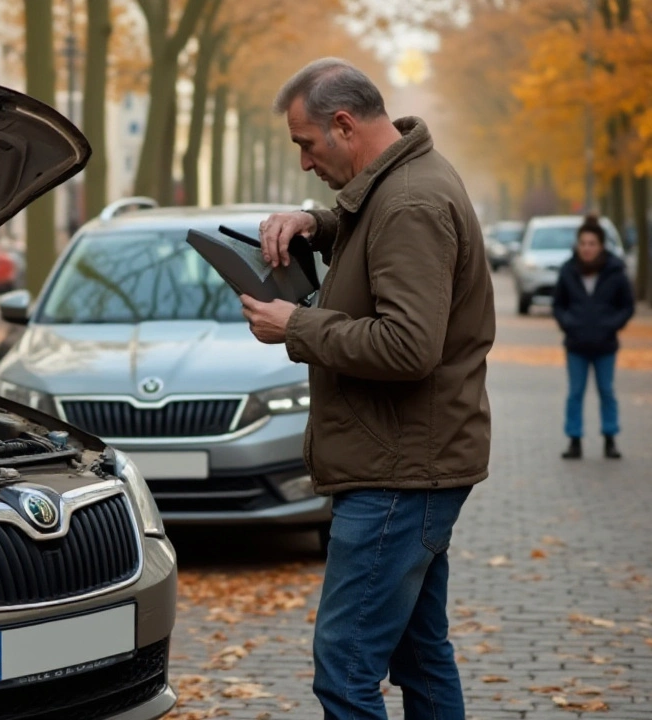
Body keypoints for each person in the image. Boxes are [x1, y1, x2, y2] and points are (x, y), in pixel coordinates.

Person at [240, 57, 496, 719]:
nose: (304, 163)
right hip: (411, 464)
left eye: (307, 144)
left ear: (345, 126)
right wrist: (316, 224)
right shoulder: (400, 182)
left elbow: (409, 346)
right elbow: (371, 227)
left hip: (398, 474)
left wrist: (296, 325)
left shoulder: (410, 201)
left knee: (347, 670)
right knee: (419, 656)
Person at [552, 216, 635, 460]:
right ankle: (574, 440)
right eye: (583, 243)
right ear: (578, 245)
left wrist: (611, 326)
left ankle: (610, 439)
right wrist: (568, 324)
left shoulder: (615, 271)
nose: (587, 248)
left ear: (601, 245)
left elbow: (627, 306)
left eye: (592, 243)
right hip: (576, 344)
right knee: (575, 392)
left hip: (605, 345)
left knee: (607, 391)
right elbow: (558, 305)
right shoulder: (568, 270)